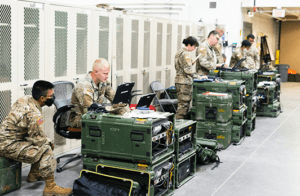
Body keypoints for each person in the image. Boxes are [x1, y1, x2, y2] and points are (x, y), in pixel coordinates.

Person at [0, 80, 72, 196]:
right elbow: (38, 140)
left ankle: (34, 174)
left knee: (42, 143)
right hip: (7, 145)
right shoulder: (34, 115)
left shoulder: (26, 98)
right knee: (46, 149)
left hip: (8, 138)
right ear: (42, 98)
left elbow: (33, 135)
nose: (53, 98)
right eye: (51, 96)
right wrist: (48, 142)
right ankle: (51, 188)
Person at [70, 58, 115, 128]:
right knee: (110, 123)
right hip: (79, 119)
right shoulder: (84, 86)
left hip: (95, 114)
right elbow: (89, 112)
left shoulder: (103, 82)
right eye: (105, 73)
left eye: (108, 73)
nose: (108, 76)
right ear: (96, 72)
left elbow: (115, 98)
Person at [174, 36, 199, 119]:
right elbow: (187, 70)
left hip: (178, 80)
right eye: (194, 46)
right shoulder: (186, 54)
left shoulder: (179, 52)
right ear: (189, 45)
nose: (194, 49)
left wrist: (191, 63)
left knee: (181, 104)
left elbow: (181, 66)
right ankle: (179, 124)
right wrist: (198, 77)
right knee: (184, 106)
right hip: (184, 82)